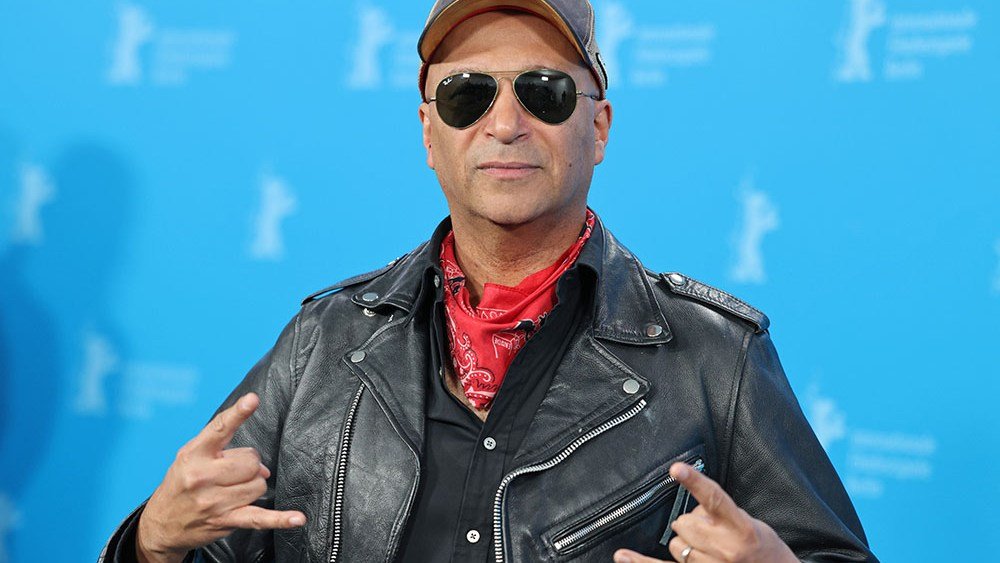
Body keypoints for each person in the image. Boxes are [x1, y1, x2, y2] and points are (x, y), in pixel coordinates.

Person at [100, 1, 877, 562]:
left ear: (598, 128)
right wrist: (151, 542)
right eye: (467, 94)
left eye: (545, 92)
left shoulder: (713, 355)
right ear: (428, 132)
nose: (505, 124)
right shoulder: (321, 343)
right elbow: (205, 540)